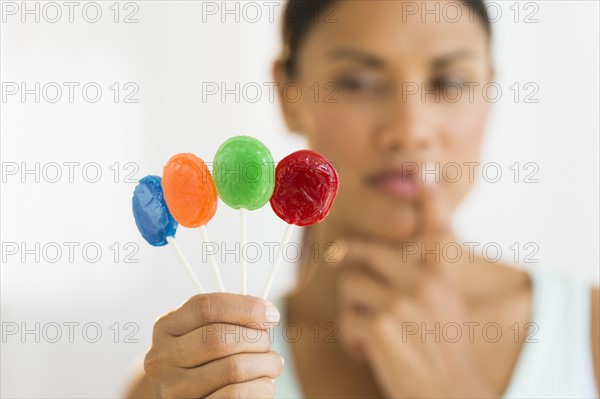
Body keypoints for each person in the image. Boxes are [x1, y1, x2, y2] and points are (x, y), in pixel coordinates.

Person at [126, 1, 599, 397]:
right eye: (357, 82)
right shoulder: (187, 377)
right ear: (288, 94)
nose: (410, 131)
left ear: (490, 92)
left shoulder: (587, 333)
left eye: (450, 83)